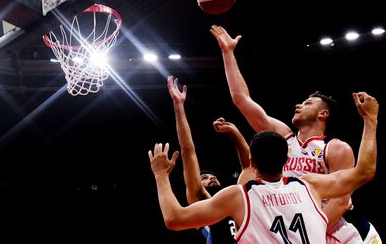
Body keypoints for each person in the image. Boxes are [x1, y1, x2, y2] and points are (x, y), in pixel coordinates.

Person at [210, 25, 381, 244]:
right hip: (299, 225)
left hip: (335, 230)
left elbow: (340, 201)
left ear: (323, 113)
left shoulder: (336, 147)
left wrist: (309, 234)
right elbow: (241, 99)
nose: (299, 105)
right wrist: (228, 53)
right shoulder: (284, 137)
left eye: (308, 103)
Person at [149, 92, 378, 244]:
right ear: (285, 162)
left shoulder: (237, 197)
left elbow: (173, 219)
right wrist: (370, 120)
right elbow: (365, 171)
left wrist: (160, 175)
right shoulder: (310, 186)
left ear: (252, 163)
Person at [167, 75, 250, 243]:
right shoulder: (203, 201)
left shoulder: (238, 198)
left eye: (212, 176)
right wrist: (179, 106)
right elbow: (188, 152)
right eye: (204, 178)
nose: (211, 177)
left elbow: (249, 166)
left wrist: (234, 131)